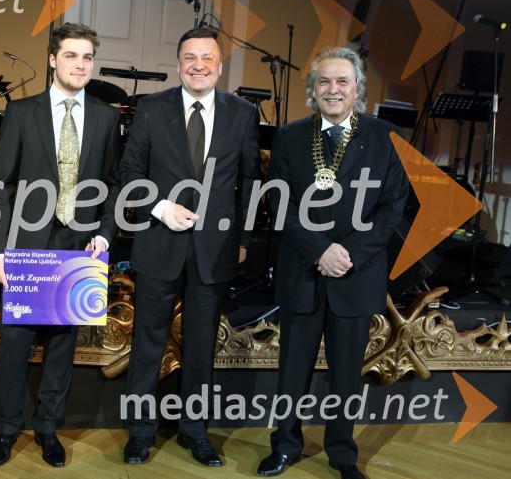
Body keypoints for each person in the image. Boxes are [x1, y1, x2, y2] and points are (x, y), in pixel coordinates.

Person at [257, 46, 408, 479]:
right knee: (292, 371)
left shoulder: (385, 137)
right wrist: (320, 249)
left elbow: (392, 208)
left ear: (357, 89)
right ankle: (284, 445)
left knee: (346, 376)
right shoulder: (289, 135)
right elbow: (279, 205)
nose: (333, 89)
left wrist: (348, 255)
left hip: (356, 276)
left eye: (342, 82)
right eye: (324, 81)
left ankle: (342, 453)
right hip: (303, 270)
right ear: (313, 89)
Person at [120, 27, 261, 466]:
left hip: (214, 251)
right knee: (147, 344)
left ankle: (194, 431)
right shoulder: (150, 108)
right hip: (158, 244)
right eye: (189, 57)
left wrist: (243, 241)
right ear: (178, 63)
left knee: (202, 346)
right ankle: (139, 433)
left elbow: (248, 182)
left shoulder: (242, 112)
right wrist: (161, 208)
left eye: (207, 58)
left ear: (220, 66)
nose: (198, 64)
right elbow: (129, 176)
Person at [0, 23, 122, 468]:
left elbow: (113, 184)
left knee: (63, 343)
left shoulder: (106, 117)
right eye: (70, 56)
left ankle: (48, 429)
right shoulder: (22, 112)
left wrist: (104, 232)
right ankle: (6, 429)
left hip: (78, 246)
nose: (80, 64)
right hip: (26, 245)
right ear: (52, 59)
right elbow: (1, 187)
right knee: (15, 344)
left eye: (87, 57)